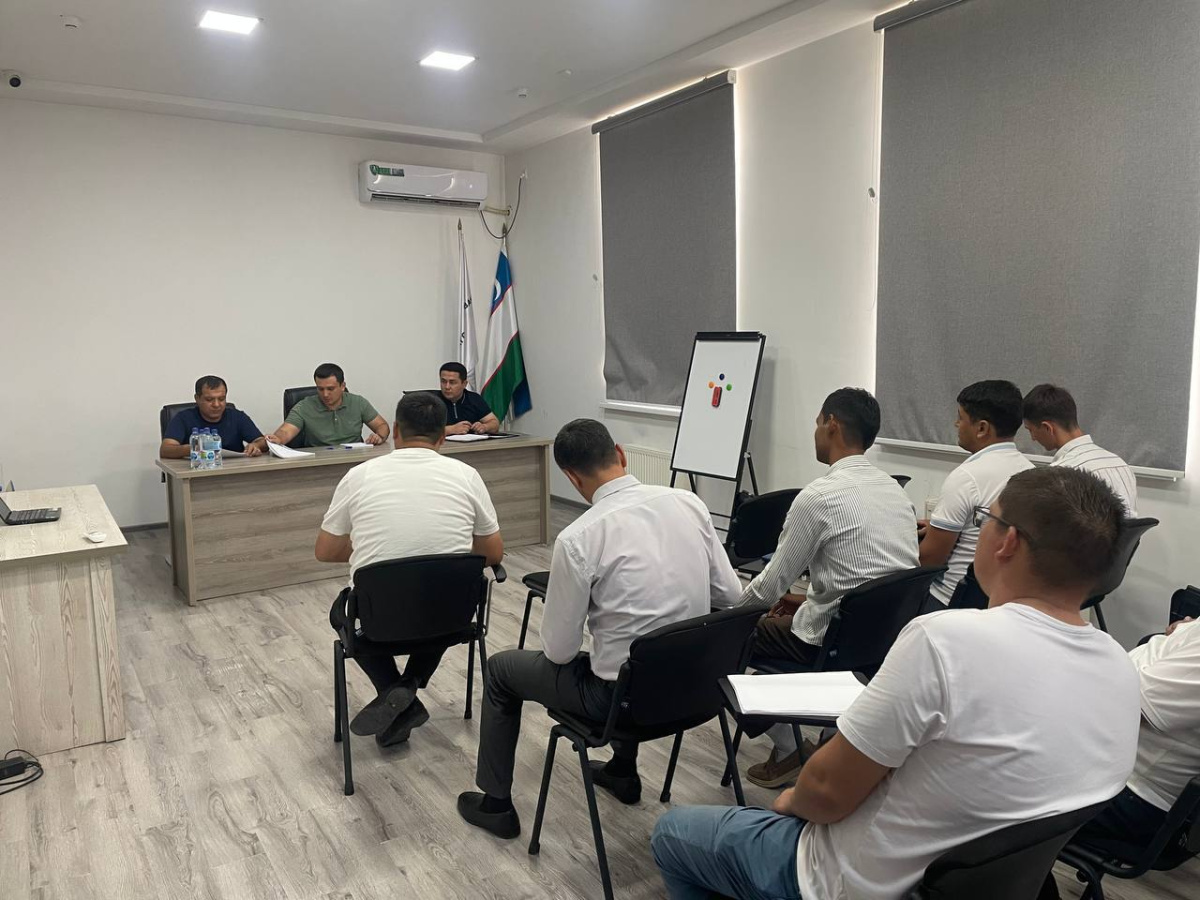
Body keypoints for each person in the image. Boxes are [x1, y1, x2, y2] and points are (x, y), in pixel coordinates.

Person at [651, 467, 1140, 900]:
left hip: (851, 881)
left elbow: (823, 793)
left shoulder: (947, 641)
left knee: (673, 834)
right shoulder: (1121, 667)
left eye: (984, 520)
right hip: (965, 884)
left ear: (1007, 542)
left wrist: (789, 800)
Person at [457, 418, 742, 839]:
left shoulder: (579, 538)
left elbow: (558, 651)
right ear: (621, 454)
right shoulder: (688, 503)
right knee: (631, 653)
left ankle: (496, 805)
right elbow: (732, 595)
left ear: (572, 478)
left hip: (623, 704)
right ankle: (622, 770)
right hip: (699, 688)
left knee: (502, 670)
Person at [737, 388, 919, 788]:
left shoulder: (819, 497)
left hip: (827, 643)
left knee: (728, 640)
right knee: (767, 626)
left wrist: (725, 615)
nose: (815, 431)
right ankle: (830, 736)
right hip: (879, 641)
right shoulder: (894, 491)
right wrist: (804, 601)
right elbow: (870, 579)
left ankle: (790, 748)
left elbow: (767, 588)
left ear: (832, 424)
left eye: (818, 422)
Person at [316, 391, 503, 746]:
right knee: (439, 592)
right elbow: (493, 553)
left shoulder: (360, 475)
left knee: (343, 614)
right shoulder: (467, 475)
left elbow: (325, 551)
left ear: (396, 431)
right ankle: (408, 688)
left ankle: (395, 692)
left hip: (380, 621)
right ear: (443, 436)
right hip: (453, 618)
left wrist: (372, 547)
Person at [1056, 615, 1200, 866]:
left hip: (1132, 795)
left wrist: (1165, 647)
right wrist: (1181, 636)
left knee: (994, 781)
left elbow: (1126, 703)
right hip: (1119, 771)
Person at [920, 380, 1033, 605]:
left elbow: (930, 559)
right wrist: (940, 526)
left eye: (960, 418)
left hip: (950, 600)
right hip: (1002, 601)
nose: (956, 424)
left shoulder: (967, 477)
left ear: (982, 428)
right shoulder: (1031, 473)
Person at [1022, 383, 1137, 514]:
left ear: (1047, 428)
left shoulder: (1059, 476)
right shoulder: (1121, 465)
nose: (1033, 438)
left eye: (1030, 430)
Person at [267, 363, 389, 448]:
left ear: (342, 386)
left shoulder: (358, 402)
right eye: (320, 389)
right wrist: (279, 439)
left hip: (353, 458)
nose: (325, 394)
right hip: (318, 462)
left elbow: (382, 425)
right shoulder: (304, 406)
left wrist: (379, 436)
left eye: (330, 389)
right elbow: (286, 431)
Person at [160, 375, 266, 458]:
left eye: (221, 399)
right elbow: (165, 450)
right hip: (198, 471)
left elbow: (263, 441)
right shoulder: (183, 418)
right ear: (197, 398)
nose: (216, 404)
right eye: (209, 400)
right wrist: (193, 448)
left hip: (234, 471)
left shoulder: (237, 416)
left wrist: (256, 446)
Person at [438, 362, 500, 435]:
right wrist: (450, 430)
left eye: (452, 382)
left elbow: (494, 423)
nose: (447, 387)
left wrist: (484, 427)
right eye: (443, 381)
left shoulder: (474, 399)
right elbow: (425, 431)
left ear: (464, 384)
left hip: (472, 442)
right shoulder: (430, 400)